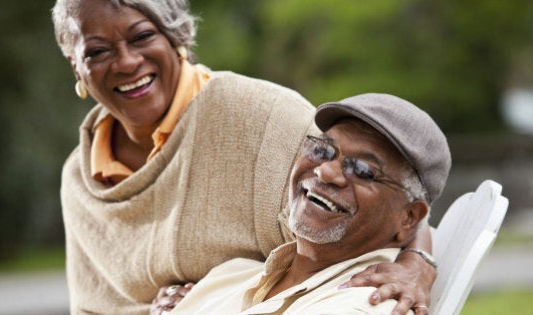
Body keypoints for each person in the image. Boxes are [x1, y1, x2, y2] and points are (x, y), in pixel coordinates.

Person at [51, 0, 437, 313]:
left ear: (175, 38)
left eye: (142, 37)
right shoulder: (79, 179)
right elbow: (92, 306)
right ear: (76, 66)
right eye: (98, 51)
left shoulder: (260, 114)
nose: (126, 62)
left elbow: (382, 190)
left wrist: (417, 263)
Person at [157, 93, 451, 315]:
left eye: (362, 170)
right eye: (323, 149)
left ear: (409, 218)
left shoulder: (361, 305)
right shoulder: (232, 274)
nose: (326, 171)